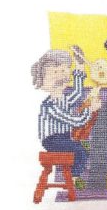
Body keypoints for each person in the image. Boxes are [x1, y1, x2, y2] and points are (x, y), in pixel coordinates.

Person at [32, 46, 102, 187]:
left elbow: (77, 92)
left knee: (80, 149)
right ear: (42, 81)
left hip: (64, 138)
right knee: (80, 151)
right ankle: (72, 179)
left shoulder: (64, 99)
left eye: (63, 71)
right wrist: (90, 110)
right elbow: (76, 121)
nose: (60, 76)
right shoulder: (50, 106)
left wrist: (79, 64)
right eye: (54, 72)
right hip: (52, 141)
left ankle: (73, 177)